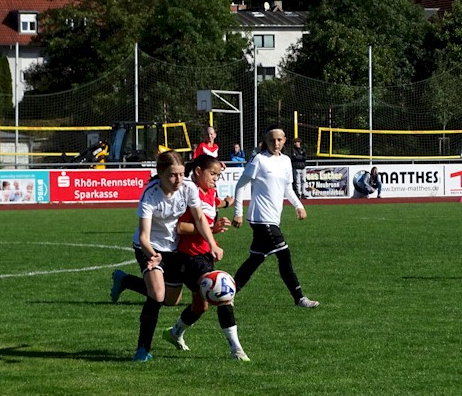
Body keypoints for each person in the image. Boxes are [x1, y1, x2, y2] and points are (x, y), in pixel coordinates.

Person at [112, 151, 223, 362]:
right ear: (160, 173)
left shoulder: (189, 188)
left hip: (173, 249)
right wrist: (153, 256)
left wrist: (212, 244)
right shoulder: (150, 195)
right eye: (173, 175)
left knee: (171, 300)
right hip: (149, 247)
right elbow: (144, 236)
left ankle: (124, 280)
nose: (178, 180)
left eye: (181, 174)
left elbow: (199, 218)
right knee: (157, 295)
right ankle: (142, 349)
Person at [163, 154, 249, 361]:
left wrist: (225, 204)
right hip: (189, 257)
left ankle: (174, 333)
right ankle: (236, 349)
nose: (215, 179)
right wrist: (213, 229)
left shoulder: (209, 191)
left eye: (218, 176)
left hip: (205, 256)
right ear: (199, 172)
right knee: (223, 293)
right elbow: (181, 227)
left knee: (200, 306)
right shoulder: (187, 193)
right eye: (212, 174)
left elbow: (212, 204)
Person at [232, 125, 319, 308]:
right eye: (272, 140)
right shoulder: (259, 160)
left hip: (273, 218)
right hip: (261, 218)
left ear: (285, 140)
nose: (276, 143)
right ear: (266, 141)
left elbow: (288, 187)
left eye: (279, 140)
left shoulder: (286, 161)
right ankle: (299, 298)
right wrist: (238, 213)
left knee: (255, 259)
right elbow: (241, 185)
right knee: (284, 256)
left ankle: (228, 293)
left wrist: (298, 205)